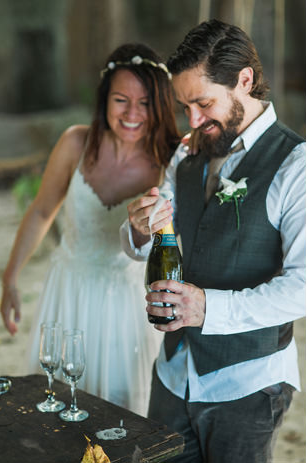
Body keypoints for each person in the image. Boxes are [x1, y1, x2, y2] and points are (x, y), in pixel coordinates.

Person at [124, 19, 303, 463]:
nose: (193, 120)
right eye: (185, 106)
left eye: (203, 103)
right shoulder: (187, 153)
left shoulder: (296, 165)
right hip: (171, 372)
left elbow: (302, 287)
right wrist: (139, 229)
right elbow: (150, 242)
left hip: (246, 382)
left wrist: (207, 308)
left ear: (244, 80)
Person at [0, 43, 181, 414]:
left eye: (145, 102)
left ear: (160, 105)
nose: (132, 113)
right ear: (104, 100)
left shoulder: (171, 161)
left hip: (126, 305)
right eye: (120, 100)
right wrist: (11, 279)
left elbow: (174, 246)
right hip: (68, 292)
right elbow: (41, 210)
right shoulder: (75, 142)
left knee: (120, 414)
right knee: (55, 410)